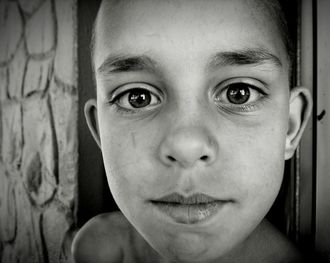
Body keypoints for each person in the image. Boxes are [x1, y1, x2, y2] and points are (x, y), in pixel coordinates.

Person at [72, 0, 312, 262]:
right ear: (100, 133)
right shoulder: (98, 248)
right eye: (137, 97)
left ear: (289, 126)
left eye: (238, 94)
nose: (187, 148)